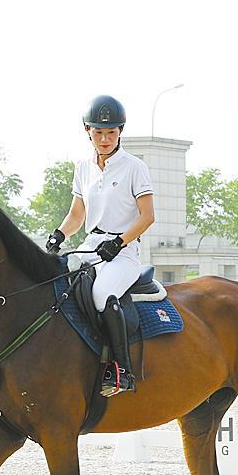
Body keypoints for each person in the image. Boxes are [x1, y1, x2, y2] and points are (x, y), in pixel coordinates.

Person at [44, 94, 156, 396]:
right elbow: (77, 215)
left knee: (102, 294)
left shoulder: (134, 167)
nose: (105, 138)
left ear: (120, 131)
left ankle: (121, 370)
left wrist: (119, 243)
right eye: (98, 132)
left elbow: (147, 217)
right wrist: (59, 235)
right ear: (87, 130)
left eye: (111, 132)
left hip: (124, 252)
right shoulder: (83, 168)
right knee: (54, 286)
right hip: (91, 247)